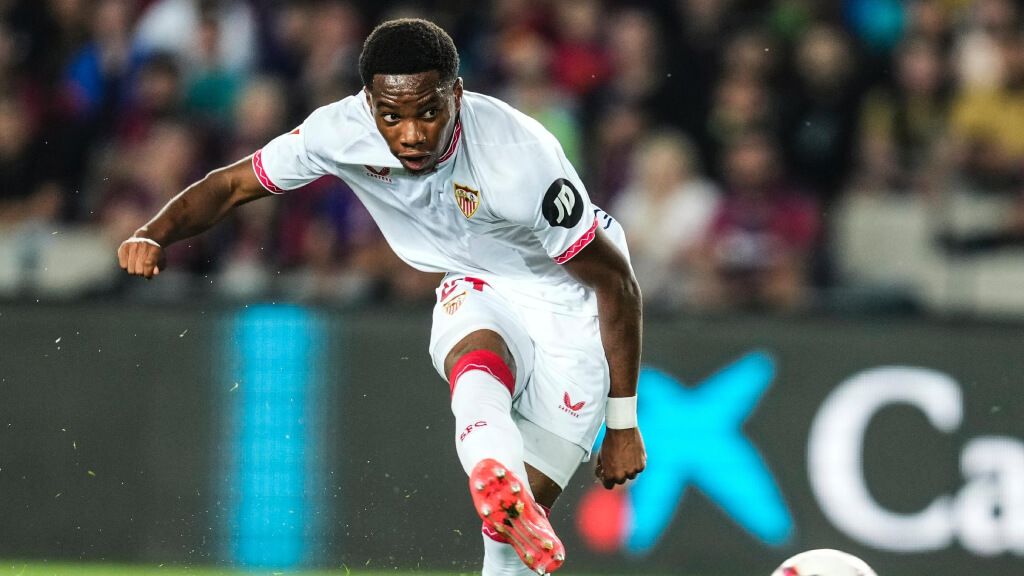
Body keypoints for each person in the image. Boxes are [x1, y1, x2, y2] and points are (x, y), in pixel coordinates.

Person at [117, 19, 646, 575]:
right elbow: (232, 184)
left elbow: (616, 283)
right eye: (392, 116)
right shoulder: (339, 130)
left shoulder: (520, 157)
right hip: (477, 279)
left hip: (570, 298)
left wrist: (623, 421)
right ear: (368, 103)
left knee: (507, 548)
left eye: (428, 112)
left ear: (457, 95)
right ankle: (495, 471)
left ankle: (503, 492)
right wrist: (154, 231)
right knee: (476, 358)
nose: (411, 134)